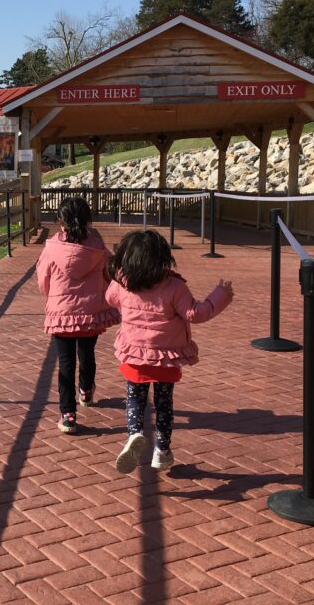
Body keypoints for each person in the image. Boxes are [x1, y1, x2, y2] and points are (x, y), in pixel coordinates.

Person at [105, 229, 233, 472]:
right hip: (166, 356)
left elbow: (110, 298)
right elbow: (196, 313)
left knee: (134, 398)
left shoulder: (123, 283)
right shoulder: (174, 286)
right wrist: (221, 295)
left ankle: (134, 433)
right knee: (164, 403)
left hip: (134, 354)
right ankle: (162, 450)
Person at [37, 197, 119, 434]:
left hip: (61, 314)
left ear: (60, 221)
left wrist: (52, 297)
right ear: (87, 220)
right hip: (90, 312)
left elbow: (44, 280)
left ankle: (68, 414)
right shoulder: (98, 248)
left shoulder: (51, 247)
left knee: (65, 363)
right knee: (87, 353)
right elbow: (109, 276)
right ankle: (86, 390)